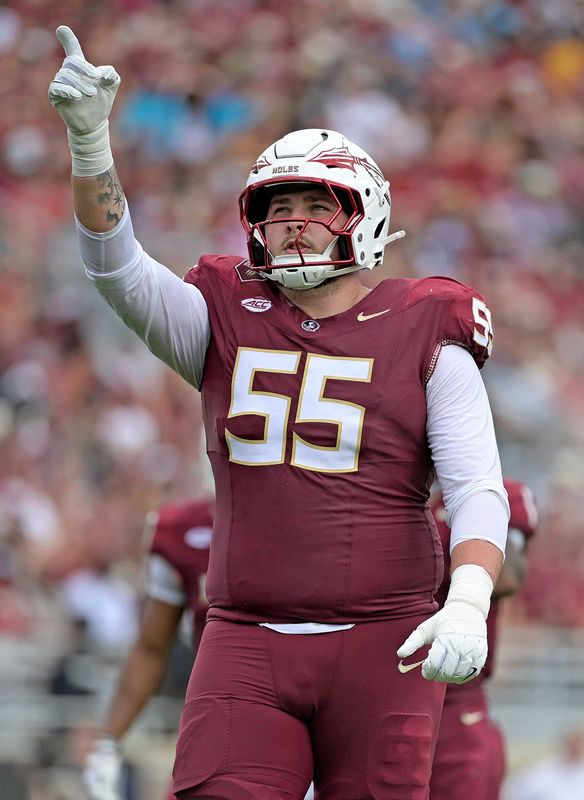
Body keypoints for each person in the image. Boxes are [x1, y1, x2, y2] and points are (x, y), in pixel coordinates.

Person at [49, 26, 510, 800]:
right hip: (245, 638)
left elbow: (476, 487)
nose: (294, 221)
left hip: (384, 639)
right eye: (279, 206)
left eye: (316, 205)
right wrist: (91, 144)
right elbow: (116, 271)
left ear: (363, 215)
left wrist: (467, 600)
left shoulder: (429, 323)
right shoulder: (223, 311)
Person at [82, 498, 213, 800]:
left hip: (316, 711)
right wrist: (108, 743)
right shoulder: (184, 531)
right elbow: (151, 648)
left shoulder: (323, 518)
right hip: (222, 718)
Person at [430, 479, 539, 800]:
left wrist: (466, 554)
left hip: (457, 697)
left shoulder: (498, 492)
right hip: (393, 692)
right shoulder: (400, 491)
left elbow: (508, 576)